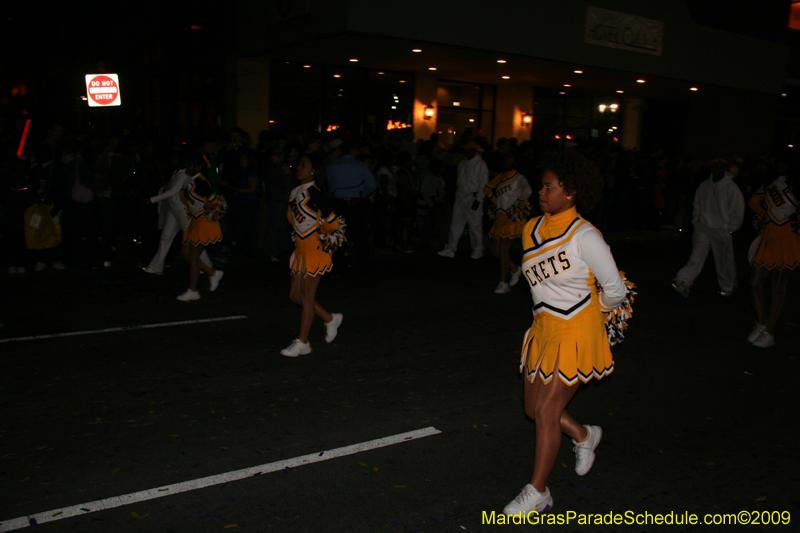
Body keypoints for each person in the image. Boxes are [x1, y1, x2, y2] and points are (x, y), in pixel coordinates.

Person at [504, 150, 625, 516]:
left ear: (570, 192)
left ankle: (538, 491)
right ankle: (585, 435)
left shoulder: (585, 235)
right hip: (543, 328)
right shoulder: (531, 229)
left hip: (576, 330)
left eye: (549, 186)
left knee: (546, 411)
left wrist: (593, 315)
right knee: (533, 409)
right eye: (542, 185)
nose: (541, 191)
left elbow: (615, 290)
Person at [281, 153, 344, 357]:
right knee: (295, 296)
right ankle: (329, 319)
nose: (298, 168)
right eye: (298, 165)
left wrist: (321, 234)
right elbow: (291, 218)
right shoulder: (294, 191)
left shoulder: (316, 194)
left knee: (307, 297)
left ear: (313, 170)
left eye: (303, 165)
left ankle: (303, 342)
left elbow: (333, 224)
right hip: (300, 250)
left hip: (314, 250)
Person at [672, 159, 745, 297]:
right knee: (696, 257)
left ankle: (728, 286)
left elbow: (737, 209)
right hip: (703, 228)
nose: (717, 171)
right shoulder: (704, 186)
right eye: (715, 168)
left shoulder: (731, 188)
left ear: (725, 169)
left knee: (724, 260)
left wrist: (730, 227)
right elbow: (697, 204)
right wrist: (697, 220)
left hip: (721, 230)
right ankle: (682, 281)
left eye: (720, 168)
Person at [746, 166, 799, 347]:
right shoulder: (771, 182)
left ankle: (769, 332)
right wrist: (764, 216)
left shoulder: (796, 186)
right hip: (768, 237)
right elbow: (754, 201)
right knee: (755, 283)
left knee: (778, 288)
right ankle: (761, 322)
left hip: (788, 240)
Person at [143, 155, 213, 275]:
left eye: (176, 159)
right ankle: (156, 266)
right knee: (165, 237)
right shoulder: (178, 173)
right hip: (174, 210)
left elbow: (173, 191)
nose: (172, 160)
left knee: (193, 239)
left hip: (182, 210)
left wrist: (152, 199)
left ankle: (206, 266)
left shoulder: (184, 175)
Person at [177, 156, 225, 301]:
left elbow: (215, 202)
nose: (187, 167)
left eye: (190, 165)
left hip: (204, 222)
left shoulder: (201, 182)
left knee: (193, 256)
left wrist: (207, 210)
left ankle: (193, 290)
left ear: (198, 167)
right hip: (195, 221)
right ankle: (213, 273)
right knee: (185, 254)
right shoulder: (189, 180)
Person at [484, 152, 532, 293]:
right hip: (501, 217)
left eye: (510, 160)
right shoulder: (500, 177)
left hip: (513, 217)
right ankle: (515, 269)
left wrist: (516, 203)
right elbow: (487, 188)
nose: (507, 163)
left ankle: (503, 283)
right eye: (506, 160)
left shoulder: (519, 178)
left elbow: (528, 191)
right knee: (495, 249)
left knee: (504, 248)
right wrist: (496, 202)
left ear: (515, 163)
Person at [438, 140, 489, 259]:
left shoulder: (480, 164)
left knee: (474, 225)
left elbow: (484, 183)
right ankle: (451, 248)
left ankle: (478, 249)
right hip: (460, 196)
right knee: (455, 224)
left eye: (468, 150)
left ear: (473, 150)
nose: (465, 152)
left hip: (472, 197)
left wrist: (478, 199)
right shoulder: (463, 163)